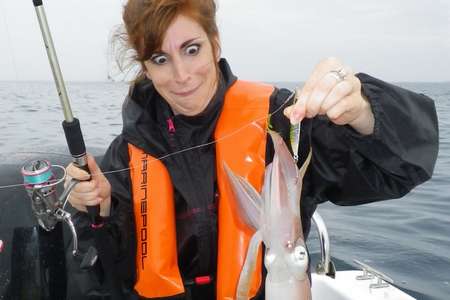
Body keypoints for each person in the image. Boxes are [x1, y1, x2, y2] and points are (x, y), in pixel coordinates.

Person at [65, 0, 439, 299]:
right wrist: (100, 210)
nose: (181, 75)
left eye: (191, 49)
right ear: (146, 67)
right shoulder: (125, 155)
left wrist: (365, 113)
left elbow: (401, 170)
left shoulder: (281, 122)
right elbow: (109, 272)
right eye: (161, 59)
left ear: (215, 43)